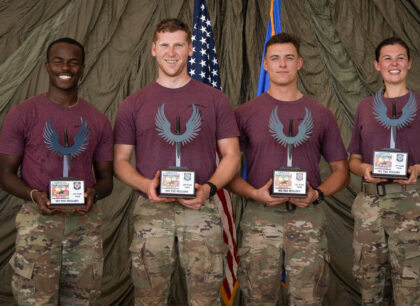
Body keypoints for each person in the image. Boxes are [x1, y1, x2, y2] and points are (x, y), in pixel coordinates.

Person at [113, 18, 240, 305]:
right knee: (149, 297)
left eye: (179, 45)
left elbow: (232, 154)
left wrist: (209, 188)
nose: (172, 53)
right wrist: (146, 185)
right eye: (165, 45)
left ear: (191, 49)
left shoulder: (215, 99)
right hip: (151, 210)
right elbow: (120, 161)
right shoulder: (132, 104)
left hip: (201, 208)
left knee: (205, 299)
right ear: (153, 49)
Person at [227, 32, 349, 305]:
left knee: (308, 299)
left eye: (289, 58)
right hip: (260, 217)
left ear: (300, 63)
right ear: (265, 65)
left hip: (307, 219)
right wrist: (255, 194)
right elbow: (227, 172)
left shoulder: (321, 114)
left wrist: (316, 194)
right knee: (259, 298)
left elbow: (341, 171)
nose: (282, 64)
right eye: (275, 58)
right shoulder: (244, 113)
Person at [0, 37, 114, 305]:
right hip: (38, 222)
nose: (66, 68)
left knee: (81, 301)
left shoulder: (98, 120)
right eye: (58, 61)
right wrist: (34, 195)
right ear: (47, 66)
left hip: (84, 226)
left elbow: (107, 179)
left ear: (82, 68)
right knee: (35, 300)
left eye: (73, 62)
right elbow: (5, 173)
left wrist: (94, 194)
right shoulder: (23, 114)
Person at [348, 37, 420, 305]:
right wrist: (365, 169)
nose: (394, 63)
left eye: (400, 57)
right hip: (370, 204)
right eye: (387, 58)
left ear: (409, 63)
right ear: (377, 65)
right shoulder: (364, 107)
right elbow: (353, 160)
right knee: (370, 286)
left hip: (411, 204)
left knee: (410, 287)